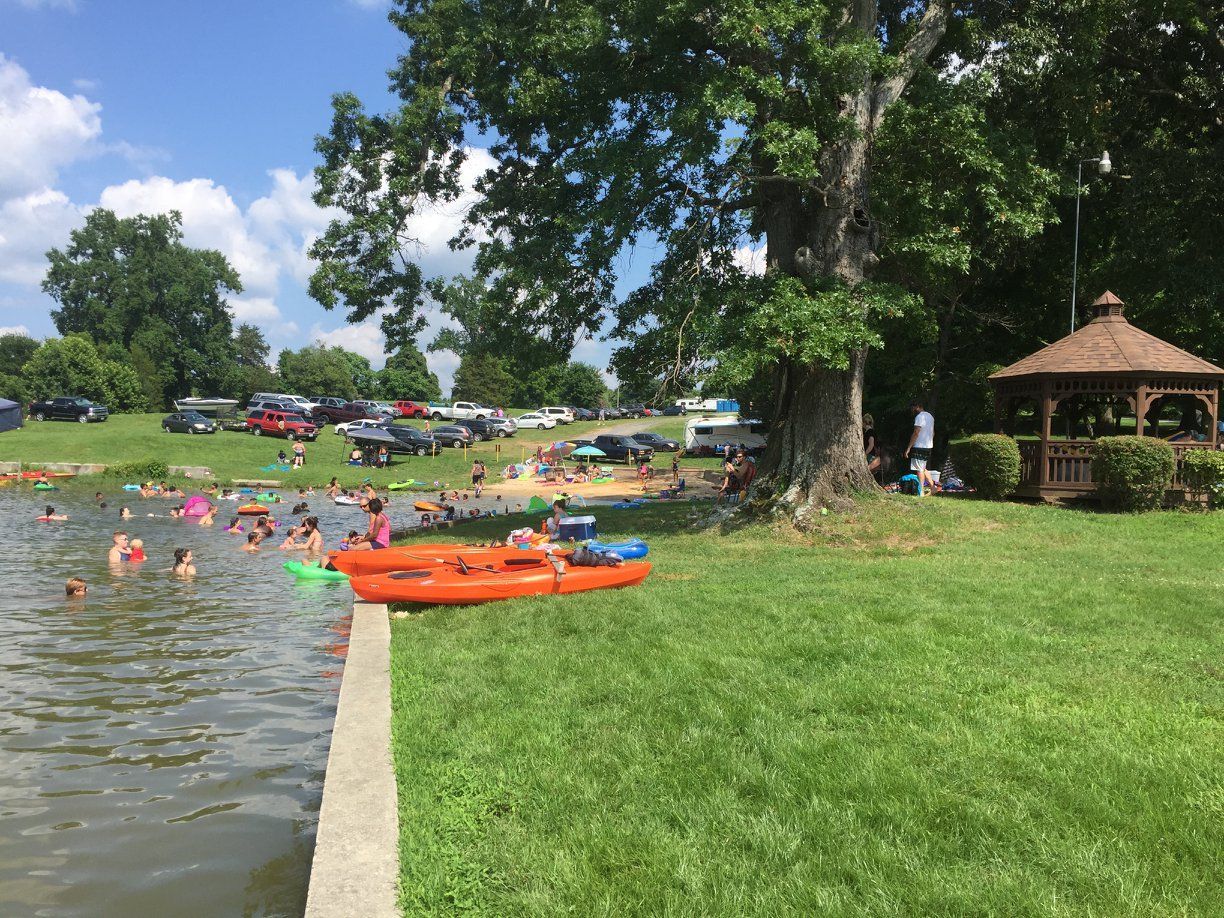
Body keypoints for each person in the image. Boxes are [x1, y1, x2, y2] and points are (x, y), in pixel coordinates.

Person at [905, 399, 936, 494]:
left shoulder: (919, 417)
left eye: (912, 408)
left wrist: (909, 448)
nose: (912, 410)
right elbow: (933, 432)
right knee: (923, 467)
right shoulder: (930, 416)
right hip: (928, 446)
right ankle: (933, 487)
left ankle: (920, 492)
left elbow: (916, 432)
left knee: (919, 469)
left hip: (919, 446)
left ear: (917, 406)